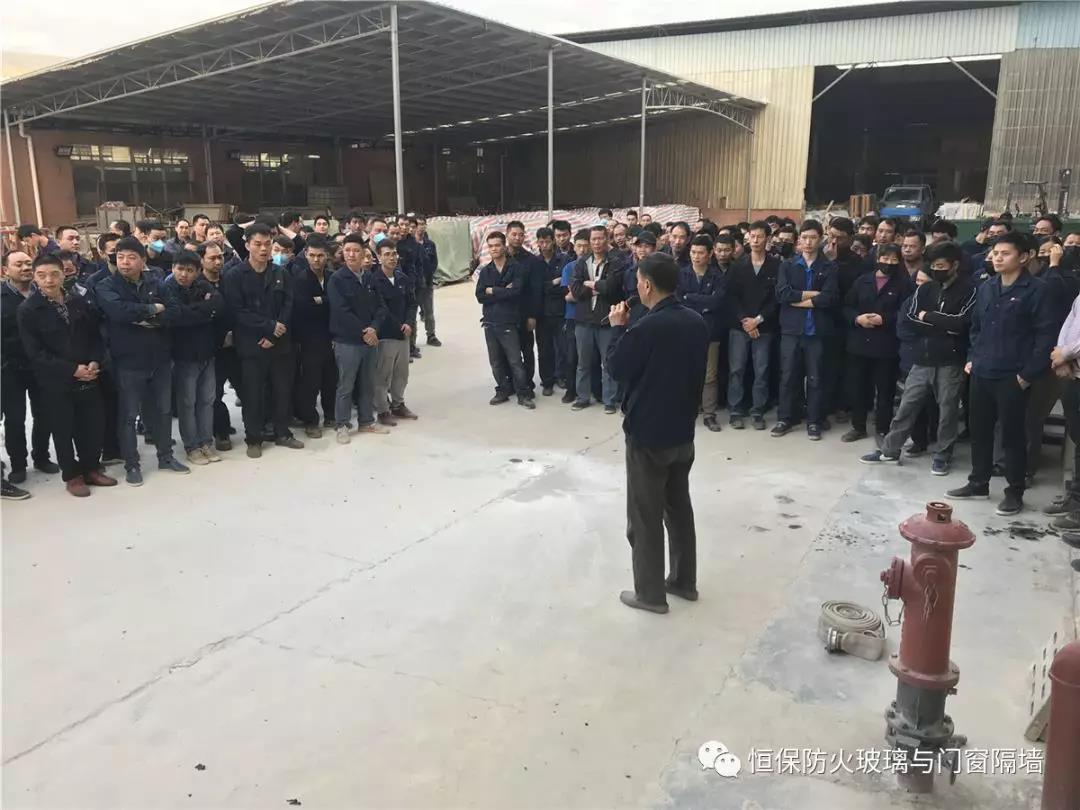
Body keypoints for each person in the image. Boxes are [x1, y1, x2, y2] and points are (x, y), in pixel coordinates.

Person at [606, 252, 708, 614]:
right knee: (678, 509)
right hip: (682, 431)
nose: (636, 287)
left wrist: (617, 328)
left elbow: (617, 368)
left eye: (638, 281)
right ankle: (683, 581)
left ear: (647, 285)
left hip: (648, 434)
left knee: (644, 518)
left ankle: (649, 594)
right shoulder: (696, 321)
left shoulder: (646, 328)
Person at [947, 231, 1056, 516]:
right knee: (980, 431)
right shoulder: (987, 287)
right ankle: (978, 482)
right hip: (982, 371)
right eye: (995, 253)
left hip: (1013, 376)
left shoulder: (1037, 290)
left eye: (1005, 254)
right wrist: (972, 359)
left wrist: (1027, 375)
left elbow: (1045, 337)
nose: (997, 258)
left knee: (1012, 436)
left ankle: (1014, 491)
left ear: (1025, 257)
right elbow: (976, 328)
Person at [862, 242, 975, 474]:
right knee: (907, 406)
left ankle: (943, 455)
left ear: (955, 265)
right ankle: (890, 450)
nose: (936, 270)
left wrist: (929, 317)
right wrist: (942, 323)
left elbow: (962, 324)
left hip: (950, 360)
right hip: (922, 358)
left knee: (947, 411)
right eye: (933, 266)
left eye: (941, 266)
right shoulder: (925, 289)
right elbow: (911, 317)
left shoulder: (970, 290)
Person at [15, 254, 115, 496]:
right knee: (63, 429)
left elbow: (95, 337)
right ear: (35, 278)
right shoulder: (28, 309)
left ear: (64, 274)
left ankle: (91, 468)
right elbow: (35, 353)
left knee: (92, 425)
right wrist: (72, 370)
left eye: (54, 274)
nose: (48, 280)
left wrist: (94, 361)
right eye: (41, 275)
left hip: (88, 374)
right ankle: (72, 476)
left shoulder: (78, 302)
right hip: (55, 381)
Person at [95, 236, 189, 485]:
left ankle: (165, 457)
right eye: (120, 257)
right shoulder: (106, 286)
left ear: (143, 260)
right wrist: (152, 309)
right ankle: (131, 465)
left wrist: (146, 319)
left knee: (163, 410)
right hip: (128, 361)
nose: (125, 262)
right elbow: (118, 311)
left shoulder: (155, 281)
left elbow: (175, 311)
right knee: (128, 416)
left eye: (131, 257)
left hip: (160, 359)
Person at [223, 223, 303, 458]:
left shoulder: (280, 273)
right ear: (247, 245)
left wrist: (274, 334)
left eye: (268, 244)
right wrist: (268, 328)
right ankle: (254, 438)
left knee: (282, 391)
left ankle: (282, 433)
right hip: (251, 346)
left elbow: (288, 305)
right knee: (253, 395)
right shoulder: (234, 275)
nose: (263, 249)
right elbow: (237, 311)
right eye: (258, 244)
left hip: (280, 344)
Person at [773, 220, 839, 441]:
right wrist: (813, 295)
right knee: (788, 376)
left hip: (817, 332)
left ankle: (814, 421)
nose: (808, 242)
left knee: (816, 378)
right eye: (804, 238)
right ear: (798, 240)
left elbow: (830, 297)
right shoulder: (788, 265)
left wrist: (798, 299)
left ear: (820, 240)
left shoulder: (829, 267)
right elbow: (782, 294)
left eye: (813, 238)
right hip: (791, 330)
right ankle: (785, 418)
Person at [840, 244, 911, 444]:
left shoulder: (903, 284)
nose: (888, 263)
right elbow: (847, 306)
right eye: (885, 258)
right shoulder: (862, 281)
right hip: (859, 344)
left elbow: (905, 311)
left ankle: (882, 428)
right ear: (877, 258)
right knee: (858, 388)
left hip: (886, 345)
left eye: (893, 259)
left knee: (885, 391)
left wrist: (885, 319)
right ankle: (858, 426)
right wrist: (857, 318)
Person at [1, 250, 58, 483]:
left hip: (41, 366)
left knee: (44, 413)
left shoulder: (45, 293)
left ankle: (42, 456)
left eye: (28, 263)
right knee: (15, 418)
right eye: (18, 264)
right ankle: (18, 464)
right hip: (10, 368)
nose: (25, 268)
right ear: (5, 270)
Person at [164, 250, 224, 466]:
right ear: (173, 268)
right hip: (184, 355)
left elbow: (218, 305)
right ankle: (191, 446)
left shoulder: (203, 285)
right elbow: (176, 316)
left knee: (207, 400)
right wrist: (204, 312)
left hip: (207, 352)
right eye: (180, 269)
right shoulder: (167, 288)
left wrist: (193, 311)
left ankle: (206, 442)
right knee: (187, 403)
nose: (184, 274)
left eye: (189, 270)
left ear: (198, 271)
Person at [328, 235, 390, 442]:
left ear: (364, 253)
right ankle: (342, 425)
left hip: (370, 340)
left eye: (356, 250)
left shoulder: (370, 278)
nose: (351, 254)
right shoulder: (337, 279)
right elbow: (341, 311)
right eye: (347, 250)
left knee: (367, 383)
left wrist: (374, 328)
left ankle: (366, 421)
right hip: (348, 341)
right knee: (346, 385)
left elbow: (381, 307)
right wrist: (365, 332)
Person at [727, 221, 780, 430]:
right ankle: (735, 409)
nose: (756, 240)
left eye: (760, 236)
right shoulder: (738, 265)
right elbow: (732, 296)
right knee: (736, 369)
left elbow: (775, 299)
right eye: (752, 236)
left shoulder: (776, 266)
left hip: (764, 327)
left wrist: (758, 320)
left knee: (762, 370)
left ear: (768, 238)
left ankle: (758, 410)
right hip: (739, 326)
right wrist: (745, 320)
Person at [570, 225, 626, 413]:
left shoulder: (616, 262)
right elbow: (576, 291)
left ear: (607, 239)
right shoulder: (581, 263)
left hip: (606, 320)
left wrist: (590, 284)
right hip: (584, 320)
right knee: (583, 363)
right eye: (593, 239)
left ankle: (609, 400)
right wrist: (596, 288)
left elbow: (611, 287)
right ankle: (582, 397)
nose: (596, 242)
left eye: (600, 238)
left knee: (607, 363)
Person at [476, 232, 533, 409]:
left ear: (504, 246)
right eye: (491, 246)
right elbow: (480, 296)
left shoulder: (516, 268)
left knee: (515, 360)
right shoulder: (486, 271)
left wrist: (492, 290)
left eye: (497, 245)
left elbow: (516, 292)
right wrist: (503, 290)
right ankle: (502, 390)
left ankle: (523, 393)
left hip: (509, 321)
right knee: (496, 361)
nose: (494, 249)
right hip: (490, 321)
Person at [677, 234, 726, 432]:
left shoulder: (717, 276)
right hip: (685, 331)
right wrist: (703, 301)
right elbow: (679, 300)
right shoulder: (681, 274)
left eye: (700, 253)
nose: (696, 256)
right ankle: (685, 410)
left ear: (710, 254)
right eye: (693, 252)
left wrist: (691, 298)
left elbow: (717, 302)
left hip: (710, 331)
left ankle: (709, 414)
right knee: (684, 372)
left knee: (709, 375)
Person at [291, 235, 338, 438]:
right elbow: (304, 308)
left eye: (320, 255)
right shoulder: (300, 279)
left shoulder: (332, 276)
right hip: (310, 339)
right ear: (306, 254)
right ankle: (310, 421)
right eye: (312, 255)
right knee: (310, 382)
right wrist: (325, 302)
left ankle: (331, 415)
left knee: (331, 379)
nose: (316, 259)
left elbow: (337, 303)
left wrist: (320, 300)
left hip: (332, 335)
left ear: (327, 256)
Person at [369, 240, 419, 424]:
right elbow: (380, 308)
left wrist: (408, 323)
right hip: (385, 335)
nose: (392, 258)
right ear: (378, 257)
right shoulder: (374, 280)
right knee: (383, 375)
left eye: (394, 254)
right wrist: (399, 325)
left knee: (401, 373)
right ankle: (383, 410)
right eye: (387, 254)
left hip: (404, 334)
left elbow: (412, 303)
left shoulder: (402, 278)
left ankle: (398, 404)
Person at [196, 241, 238, 452]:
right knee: (215, 394)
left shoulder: (230, 280)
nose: (218, 261)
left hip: (237, 345)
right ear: (201, 260)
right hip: (213, 348)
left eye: (220, 256)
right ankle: (221, 432)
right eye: (212, 258)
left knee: (248, 389)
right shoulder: (197, 285)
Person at [506, 221, 543, 396]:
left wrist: (532, 316)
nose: (517, 238)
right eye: (514, 234)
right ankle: (510, 383)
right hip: (506, 315)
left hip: (524, 313)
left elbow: (536, 291)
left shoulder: (531, 261)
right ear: (507, 235)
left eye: (521, 235)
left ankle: (527, 384)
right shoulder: (500, 257)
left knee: (527, 351)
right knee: (507, 352)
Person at [536, 226, 570, 396]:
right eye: (541, 242)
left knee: (563, 347)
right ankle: (547, 381)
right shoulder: (535, 262)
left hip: (561, 311)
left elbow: (565, 286)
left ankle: (561, 376)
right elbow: (536, 288)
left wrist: (549, 286)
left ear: (553, 241)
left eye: (547, 241)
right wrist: (553, 283)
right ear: (537, 243)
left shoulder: (564, 259)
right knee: (544, 350)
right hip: (541, 313)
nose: (544, 245)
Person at [558, 230, 590, 404]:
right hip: (573, 317)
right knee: (572, 356)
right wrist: (590, 291)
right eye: (579, 246)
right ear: (574, 247)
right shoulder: (569, 268)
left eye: (586, 246)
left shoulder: (595, 265)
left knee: (591, 357)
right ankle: (571, 390)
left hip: (593, 316)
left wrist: (578, 292)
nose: (582, 250)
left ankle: (592, 389)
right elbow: (568, 296)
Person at [413, 216, 441, 347]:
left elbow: (434, 262)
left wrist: (428, 276)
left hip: (427, 283)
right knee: (411, 314)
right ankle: (412, 342)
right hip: (413, 285)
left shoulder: (430, 244)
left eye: (423, 224)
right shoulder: (409, 244)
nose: (421, 227)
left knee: (429, 312)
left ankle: (431, 336)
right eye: (418, 224)